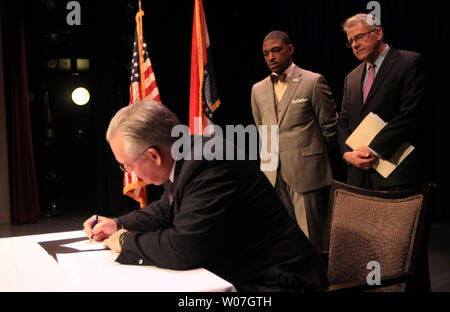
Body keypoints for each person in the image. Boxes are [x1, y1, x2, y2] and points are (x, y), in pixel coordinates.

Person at [83, 100, 328, 292]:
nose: (129, 172)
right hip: (244, 271)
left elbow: (183, 249)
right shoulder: (189, 155)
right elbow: (166, 207)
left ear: (153, 155)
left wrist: (127, 241)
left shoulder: (209, 165)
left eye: (127, 165)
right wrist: (118, 224)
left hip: (278, 282)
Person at [251, 30, 338, 252]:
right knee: (281, 236)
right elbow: (263, 129)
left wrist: (310, 156)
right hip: (273, 174)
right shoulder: (258, 89)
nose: (271, 57)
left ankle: (316, 283)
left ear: (290, 49)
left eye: (276, 50)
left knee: (311, 238)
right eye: (266, 53)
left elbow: (329, 127)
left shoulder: (312, 81)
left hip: (305, 171)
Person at [337, 13, 425, 191]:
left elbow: (410, 114)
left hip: (396, 174)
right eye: (350, 41)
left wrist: (373, 149)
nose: (354, 45)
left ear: (378, 33)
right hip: (359, 177)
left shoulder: (409, 63)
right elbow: (344, 121)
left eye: (359, 37)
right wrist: (348, 154)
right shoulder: (351, 78)